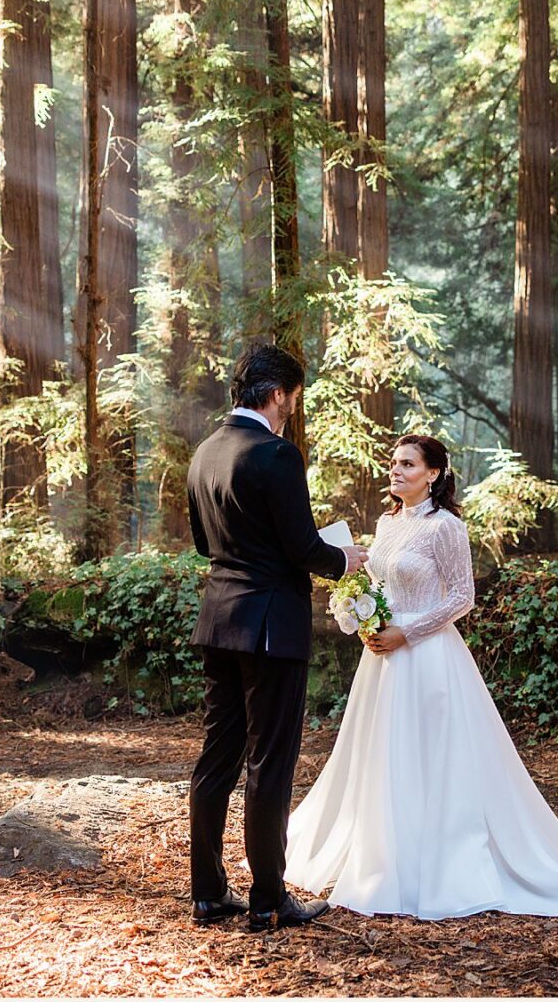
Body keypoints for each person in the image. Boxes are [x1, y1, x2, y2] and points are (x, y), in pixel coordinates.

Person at [283, 434, 558, 919]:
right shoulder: (386, 523)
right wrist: (367, 618)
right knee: (382, 753)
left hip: (428, 657)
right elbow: (379, 586)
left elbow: (461, 597)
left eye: (407, 464)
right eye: (393, 463)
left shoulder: (445, 528)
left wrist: (409, 631)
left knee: (434, 755)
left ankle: (441, 858)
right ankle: (383, 852)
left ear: (434, 473)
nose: (396, 471)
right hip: (382, 660)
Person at [185, 344, 369, 932]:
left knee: (217, 758)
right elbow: (303, 549)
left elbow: (200, 544)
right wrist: (347, 559)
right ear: (275, 394)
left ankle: (209, 893)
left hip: (218, 622)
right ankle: (267, 899)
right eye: (292, 397)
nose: (292, 407)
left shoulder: (205, 452)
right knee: (269, 761)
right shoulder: (277, 455)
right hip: (270, 628)